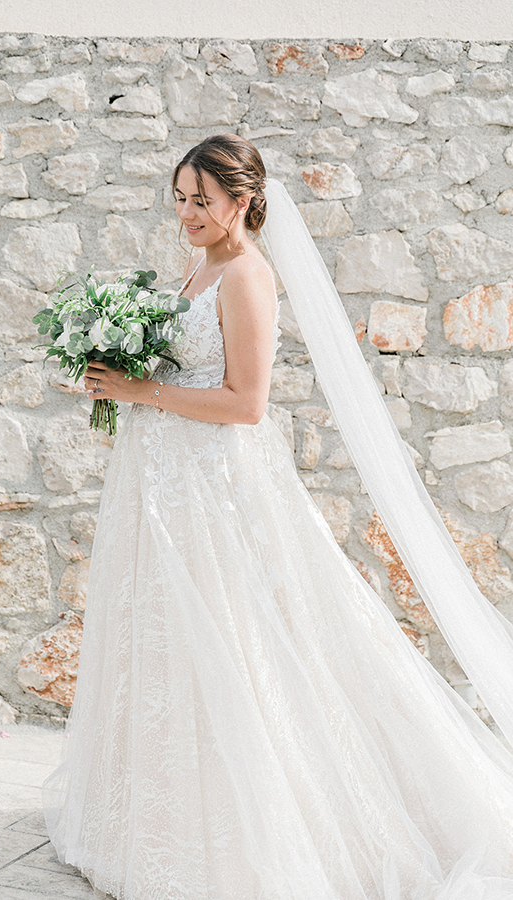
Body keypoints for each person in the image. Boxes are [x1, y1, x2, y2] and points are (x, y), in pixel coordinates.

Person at [44, 134, 513, 900]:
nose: (188, 213)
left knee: (236, 641)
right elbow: (185, 361)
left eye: (203, 200)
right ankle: (153, 816)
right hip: (167, 485)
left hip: (216, 490)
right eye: (181, 198)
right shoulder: (199, 263)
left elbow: (246, 404)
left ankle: (252, 830)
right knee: (168, 642)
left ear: (244, 202)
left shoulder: (248, 276)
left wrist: (140, 393)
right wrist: (123, 364)